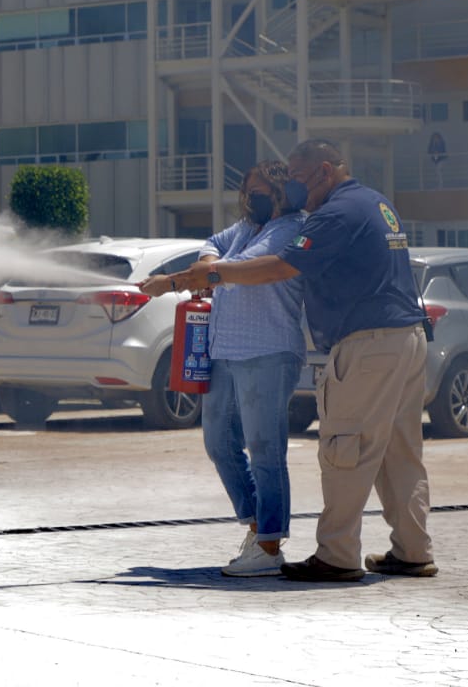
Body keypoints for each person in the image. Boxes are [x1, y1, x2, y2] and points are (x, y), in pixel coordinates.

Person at [141, 139, 433, 583]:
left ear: (325, 170)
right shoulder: (376, 203)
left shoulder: (334, 214)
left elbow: (279, 267)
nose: (294, 187)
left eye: (297, 178)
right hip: (405, 337)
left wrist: (212, 273)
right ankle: (412, 550)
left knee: (346, 449)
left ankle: (336, 555)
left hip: (369, 343)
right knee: (399, 454)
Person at [141, 162, 306, 577]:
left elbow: (238, 270)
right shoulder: (246, 228)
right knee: (218, 443)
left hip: (267, 352)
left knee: (265, 449)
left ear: (283, 191)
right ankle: (256, 527)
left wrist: (174, 281)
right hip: (225, 352)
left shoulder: (289, 229)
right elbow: (213, 245)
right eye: (249, 190)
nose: (253, 198)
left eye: (262, 190)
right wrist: (207, 262)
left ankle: (270, 545)